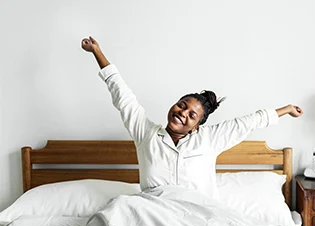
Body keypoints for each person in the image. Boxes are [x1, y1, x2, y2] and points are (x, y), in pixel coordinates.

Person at [81, 36, 303, 198]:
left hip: (198, 216)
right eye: (181, 105)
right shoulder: (146, 133)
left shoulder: (209, 139)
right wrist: (97, 52)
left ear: (197, 125)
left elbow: (250, 121)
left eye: (191, 115)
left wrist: (287, 109)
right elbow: (123, 96)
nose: (181, 113)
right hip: (151, 213)